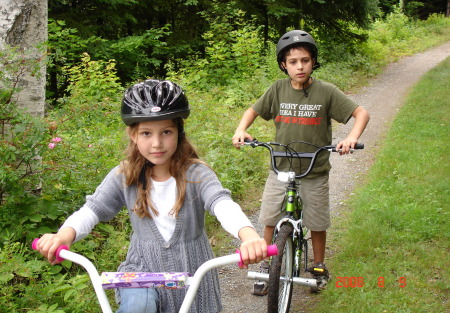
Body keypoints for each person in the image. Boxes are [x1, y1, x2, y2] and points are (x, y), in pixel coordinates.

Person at [36, 79, 268, 313]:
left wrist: (248, 236)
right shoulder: (125, 175)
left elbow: (222, 204)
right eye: (147, 133)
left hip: (192, 275)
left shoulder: (196, 174)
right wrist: (64, 235)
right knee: (138, 306)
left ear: (179, 132)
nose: (157, 143)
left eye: (166, 132)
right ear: (133, 135)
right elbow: (92, 210)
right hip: (141, 270)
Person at [232, 30, 370, 295]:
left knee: (317, 220)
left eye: (305, 60)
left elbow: (361, 112)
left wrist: (351, 138)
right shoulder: (277, 89)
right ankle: (267, 264)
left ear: (313, 61)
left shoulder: (326, 92)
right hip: (280, 167)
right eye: (293, 61)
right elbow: (253, 110)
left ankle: (318, 264)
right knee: (270, 217)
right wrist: (241, 129)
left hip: (313, 170)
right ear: (284, 64)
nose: (299, 66)